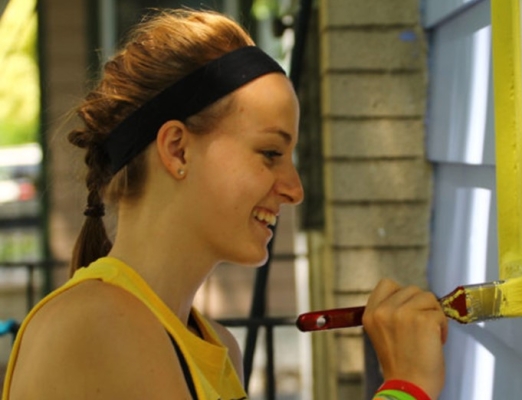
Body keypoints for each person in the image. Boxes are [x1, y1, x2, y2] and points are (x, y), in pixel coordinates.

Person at [1, 9, 447, 400]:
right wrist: (407, 385)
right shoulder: (99, 328)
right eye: (271, 153)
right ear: (177, 149)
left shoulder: (215, 345)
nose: (295, 189)